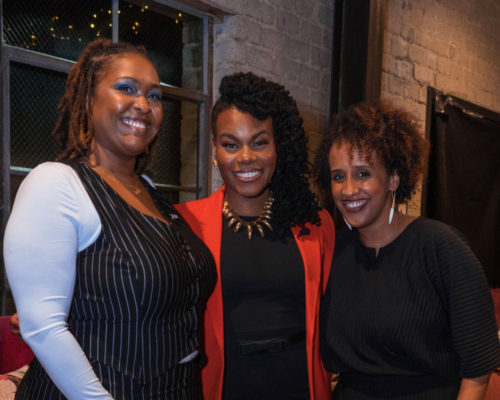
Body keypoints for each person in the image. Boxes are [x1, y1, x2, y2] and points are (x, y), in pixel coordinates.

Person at [4, 39, 216, 400]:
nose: (143, 105)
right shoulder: (55, 183)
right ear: (88, 98)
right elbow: (43, 327)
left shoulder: (149, 191)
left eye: (154, 95)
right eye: (126, 88)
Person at [312, 100, 500, 400]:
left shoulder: (441, 247)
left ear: (394, 178)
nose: (348, 190)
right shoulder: (336, 250)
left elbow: (479, 365)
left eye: (363, 174)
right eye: (338, 176)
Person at [174, 72, 335, 400]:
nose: (245, 157)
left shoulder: (316, 224)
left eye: (259, 142)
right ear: (214, 150)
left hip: (299, 384)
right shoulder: (185, 223)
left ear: (279, 146)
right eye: (231, 144)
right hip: (223, 385)